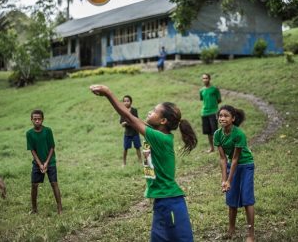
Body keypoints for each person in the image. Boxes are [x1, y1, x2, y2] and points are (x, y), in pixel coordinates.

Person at [90, 84, 197, 242]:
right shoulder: (156, 134)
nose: (149, 111)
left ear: (163, 120)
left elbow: (129, 118)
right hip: (161, 202)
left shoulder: (160, 138)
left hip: (171, 202)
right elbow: (132, 118)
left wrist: (108, 93)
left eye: (154, 111)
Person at [214, 105, 255, 242]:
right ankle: (231, 229)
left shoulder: (239, 134)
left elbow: (236, 159)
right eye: (220, 116)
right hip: (232, 165)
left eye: (226, 116)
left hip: (246, 165)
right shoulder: (217, 134)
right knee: (231, 198)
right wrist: (224, 180)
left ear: (233, 118)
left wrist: (229, 180)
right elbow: (223, 159)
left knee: (247, 198)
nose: (222, 118)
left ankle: (251, 233)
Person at [26, 109, 62, 214]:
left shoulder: (48, 131)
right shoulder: (29, 133)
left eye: (39, 119)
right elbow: (32, 150)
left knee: (54, 183)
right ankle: (34, 209)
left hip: (50, 162)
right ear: (31, 119)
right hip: (37, 164)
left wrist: (46, 163)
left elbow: (52, 147)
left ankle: (60, 208)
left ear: (43, 119)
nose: (37, 121)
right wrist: (40, 164)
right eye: (35, 119)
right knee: (34, 185)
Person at [199, 73, 221, 153]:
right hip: (204, 113)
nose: (205, 80)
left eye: (206, 78)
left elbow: (219, 100)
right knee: (208, 132)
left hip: (213, 112)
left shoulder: (215, 89)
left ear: (209, 79)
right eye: (203, 78)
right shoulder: (201, 90)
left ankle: (220, 148)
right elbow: (202, 99)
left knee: (215, 131)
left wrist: (214, 107)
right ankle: (211, 148)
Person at [120, 95, 142, 166]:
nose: (126, 102)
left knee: (137, 147)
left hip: (135, 132)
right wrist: (126, 123)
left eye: (128, 101)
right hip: (127, 133)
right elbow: (122, 123)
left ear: (131, 102)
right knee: (125, 148)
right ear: (123, 102)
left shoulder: (134, 110)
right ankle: (124, 162)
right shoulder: (122, 111)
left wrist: (128, 122)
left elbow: (136, 120)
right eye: (124, 101)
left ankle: (140, 161)